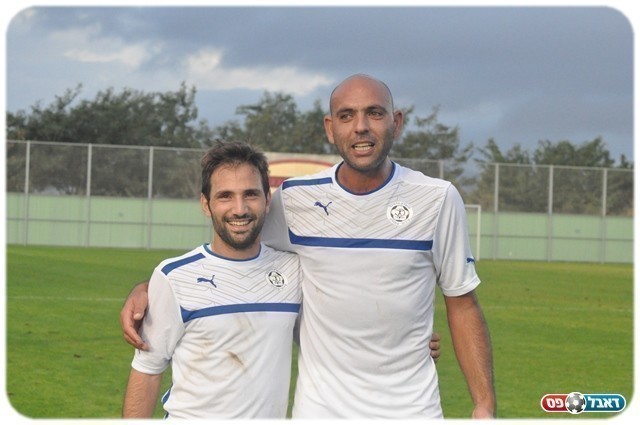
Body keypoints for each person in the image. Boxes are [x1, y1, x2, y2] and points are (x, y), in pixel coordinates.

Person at [122, 74, 493, 418]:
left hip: (412, 409)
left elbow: (462, 303)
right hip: (321, 410)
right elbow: (234, 244)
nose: (361, 126)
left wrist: (484, 404)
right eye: (346, 116)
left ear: (396, 122)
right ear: (330, 128)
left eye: (374, 113)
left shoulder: (437, 199)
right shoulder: (295, 200)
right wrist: (150, 289)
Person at [122, 141, 302, 418]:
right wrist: (147, 287)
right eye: (225, 196)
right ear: (206, 204)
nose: (239, 209)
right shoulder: (174, 278)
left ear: (267, 200)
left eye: (250, 194)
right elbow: (147, 372)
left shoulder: (293, 271)